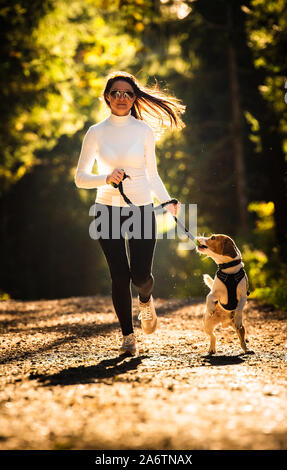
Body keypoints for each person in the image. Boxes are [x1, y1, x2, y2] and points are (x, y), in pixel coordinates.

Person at [74, 70, 185, 356]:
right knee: (119, 276)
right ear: (107, 97)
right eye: (116, 93)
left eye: (128, 93)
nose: (122, 98)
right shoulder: (96, 132)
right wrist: (106, 177)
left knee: (140, 276)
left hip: (141, 208)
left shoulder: (143, 130)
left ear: (134, 98)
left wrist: (167, 200)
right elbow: (81, 177)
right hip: (107, 210)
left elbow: (153, 174)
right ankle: (127, 337)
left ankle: (146, 301)